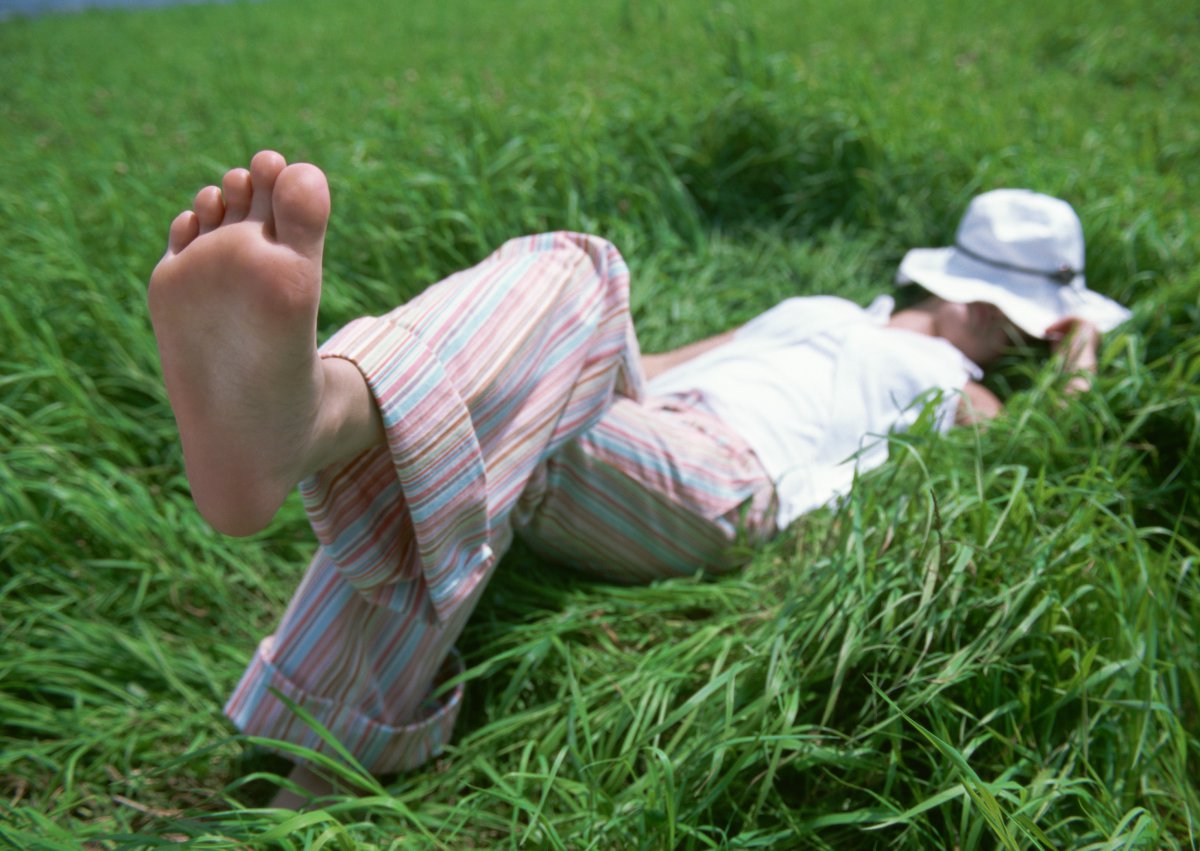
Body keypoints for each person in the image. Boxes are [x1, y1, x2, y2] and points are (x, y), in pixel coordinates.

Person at [147, 151, 1129, 805]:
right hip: (651, 416)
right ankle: (321, 413)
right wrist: (534, 366)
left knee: (517, 405)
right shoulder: (833, 307)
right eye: (1035, 327)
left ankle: (327, 417)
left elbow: (1053, 435)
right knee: (581, 273)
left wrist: (1079, 350)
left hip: (726, 480)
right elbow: (654, 361)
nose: (1019, 343)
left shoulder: (959, 385)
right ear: (997, 306)